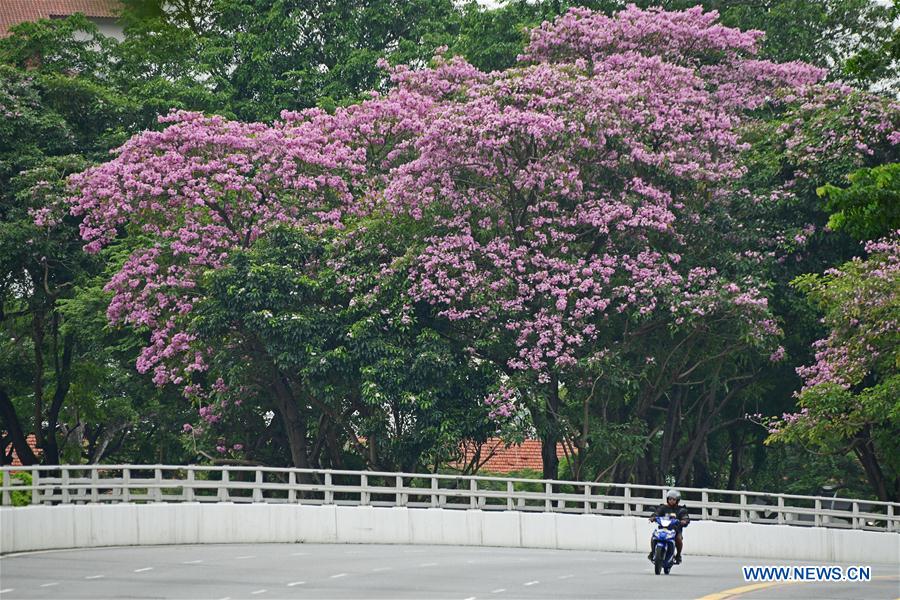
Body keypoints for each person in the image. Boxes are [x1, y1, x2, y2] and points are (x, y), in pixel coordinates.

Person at [648, 489, 690, 564]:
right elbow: (657, 513)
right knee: (653, 537)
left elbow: (685, 516)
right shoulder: (663, 507)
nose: (671, 501)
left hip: (675, 530)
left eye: (674, 499)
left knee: (678, 539)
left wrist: (684, 520)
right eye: (670, 499)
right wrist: (653, 517)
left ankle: (678, 555)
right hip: (662, 529)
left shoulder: (681, 510)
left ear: (677, 500)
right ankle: (653, 552)